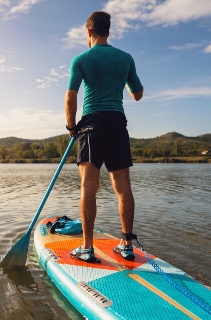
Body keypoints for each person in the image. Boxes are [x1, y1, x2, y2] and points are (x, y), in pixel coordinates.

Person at [65, 11, 143, 263]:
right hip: (117, 124)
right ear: (108, 31)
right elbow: (137, 93)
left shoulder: (81, 58)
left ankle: (87, 249)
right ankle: (126, 245)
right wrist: (123, 83)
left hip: (91, 125)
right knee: (123, 188)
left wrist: (70, 126)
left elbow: (70, 96)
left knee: (89, 187)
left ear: (88, 32)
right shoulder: (125, 58)